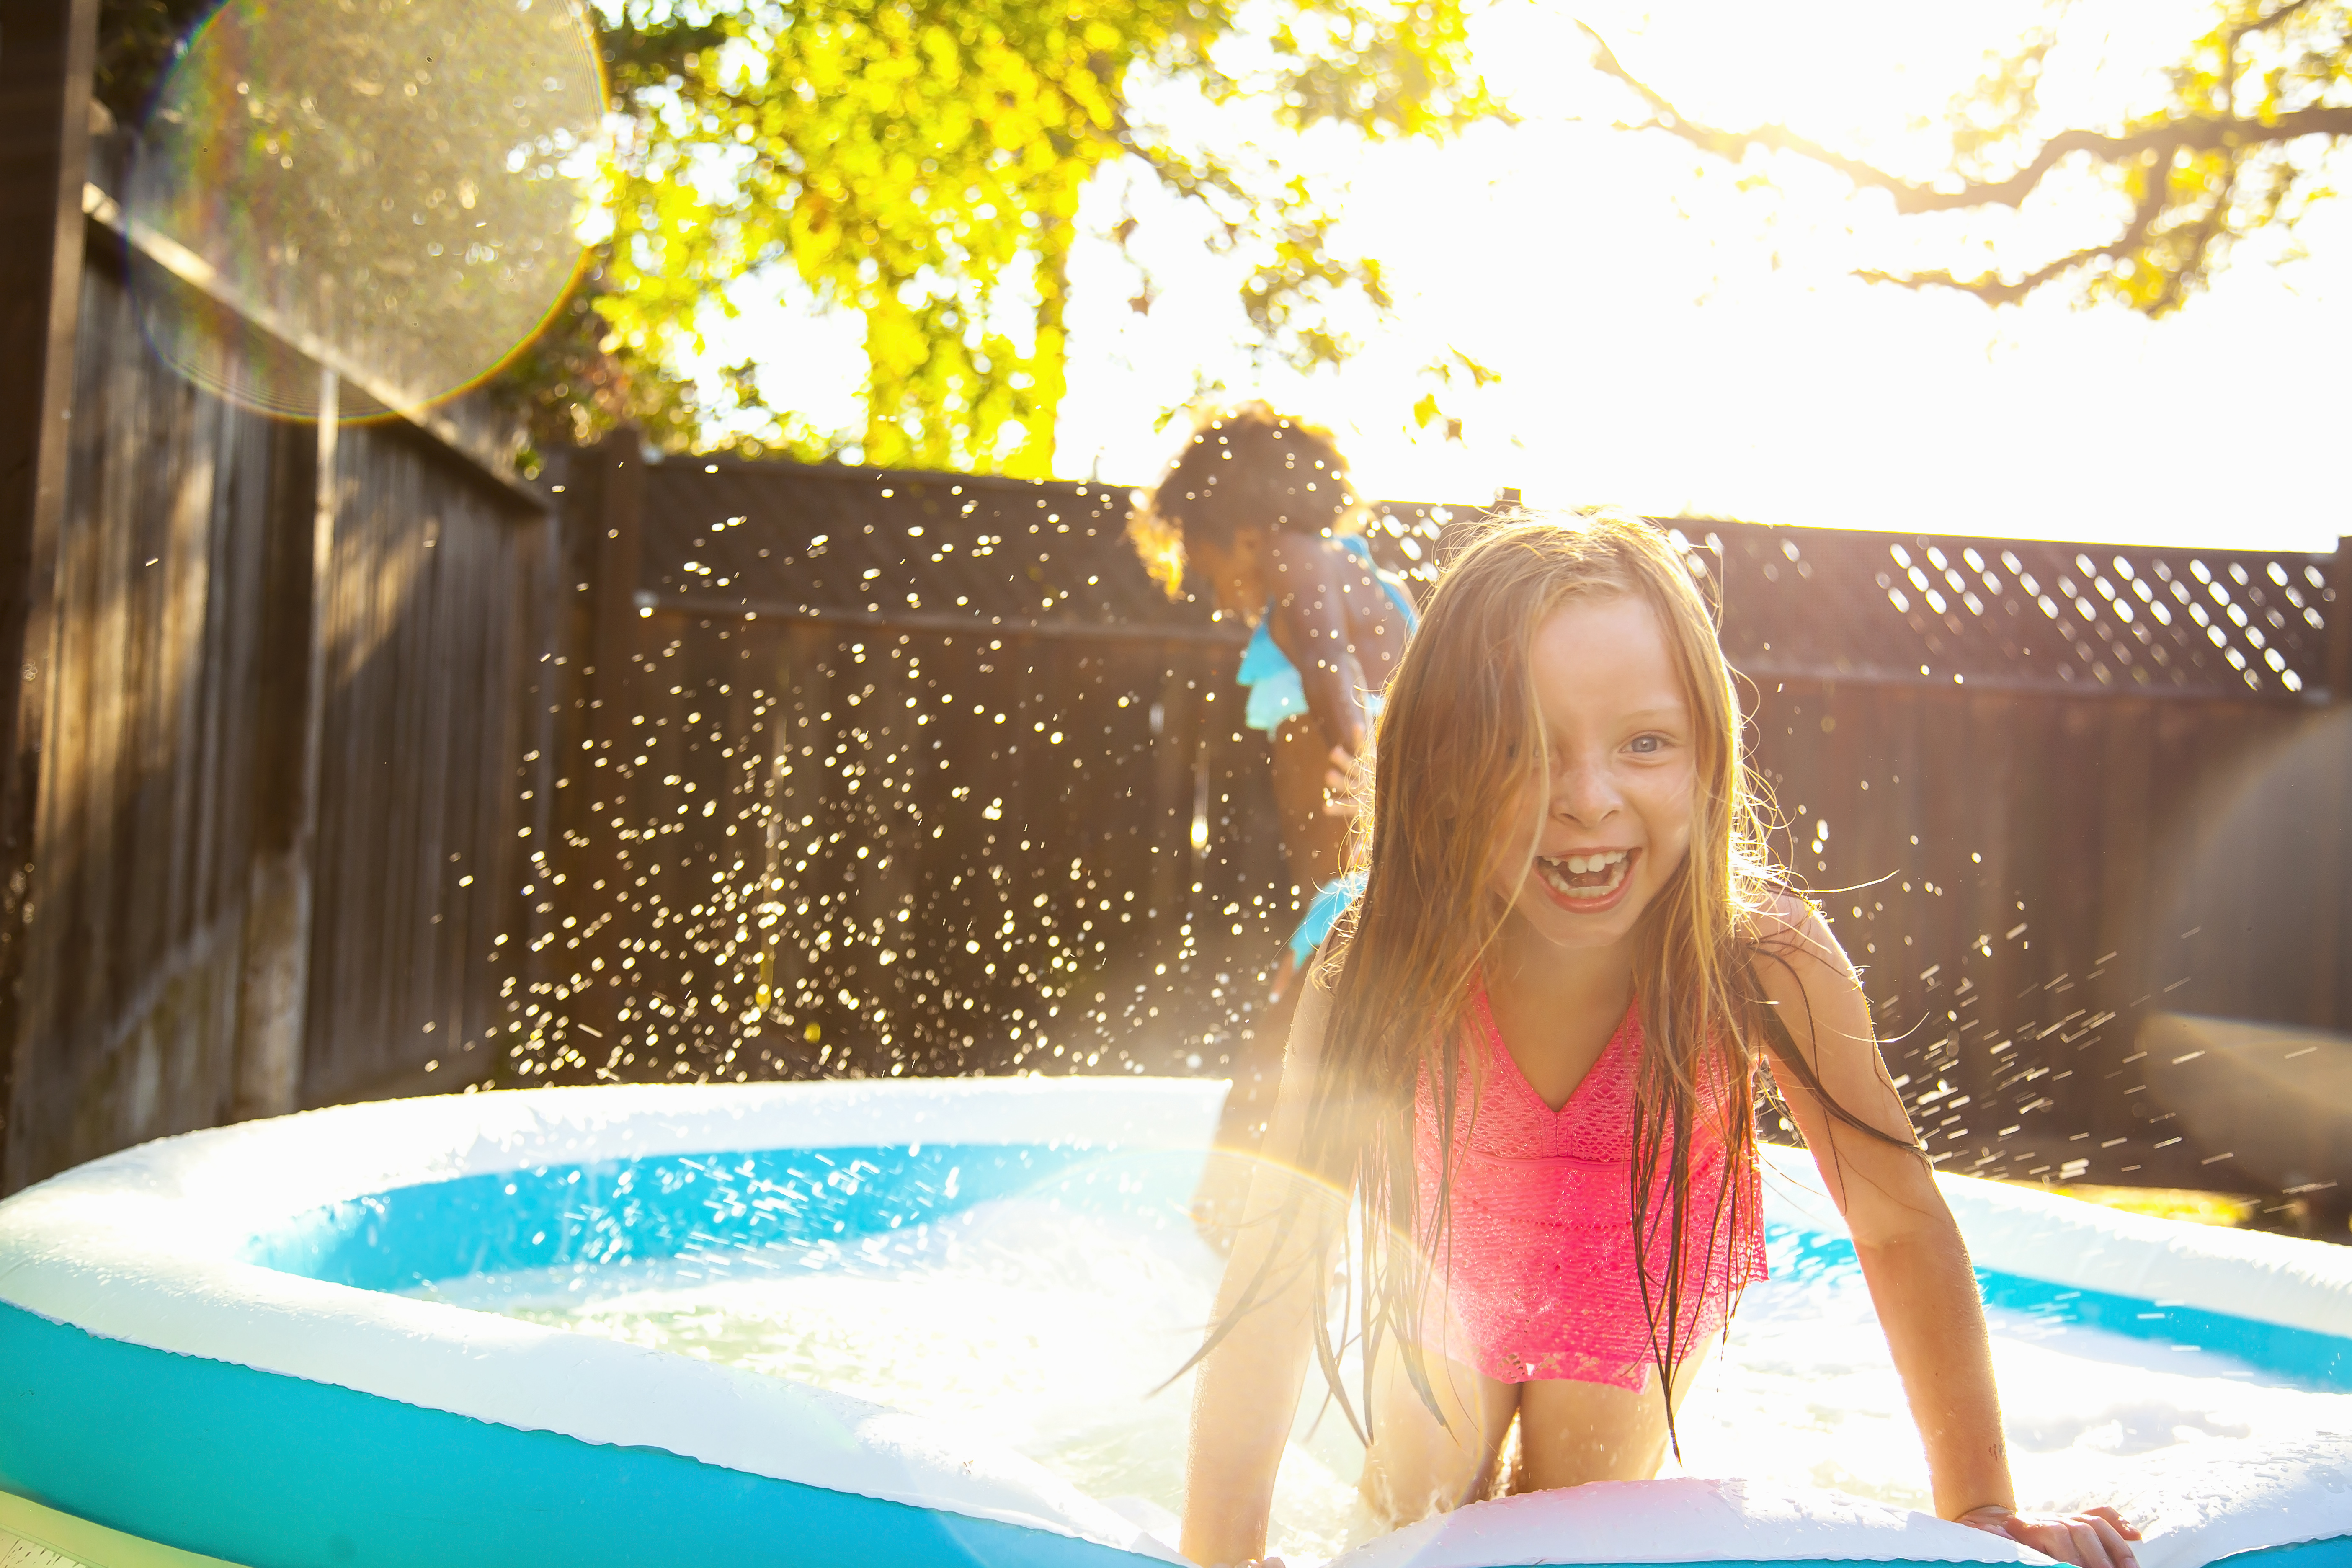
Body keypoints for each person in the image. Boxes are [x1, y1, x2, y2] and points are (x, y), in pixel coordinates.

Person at [1178, 513, 2142, 1568]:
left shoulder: (1759, 957)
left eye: (1644, 743)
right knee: (1411, 1530)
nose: (1588, 799)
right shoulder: (1378, 957)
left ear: (1707, 754)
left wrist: (1985, 1512)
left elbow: (1899, 1225)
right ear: (1438, 764)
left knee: (1572, 1528)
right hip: (1450, 1287)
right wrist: (1221, 1553)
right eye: (1522, 747)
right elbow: (1283, 1252)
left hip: (1630, 1300)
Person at [1130, 404, 1417, 1237]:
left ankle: (1230, 1274)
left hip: (1352, 907)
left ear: (1244, 530)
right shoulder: (1371, 583)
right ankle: (1295, 1260)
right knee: (1313, 1101)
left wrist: (1365, 755)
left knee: (1260, 1100)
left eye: (1202, 552)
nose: (1206, 583)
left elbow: (1329, 655)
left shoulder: (1302, 563)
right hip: (1361, 902)